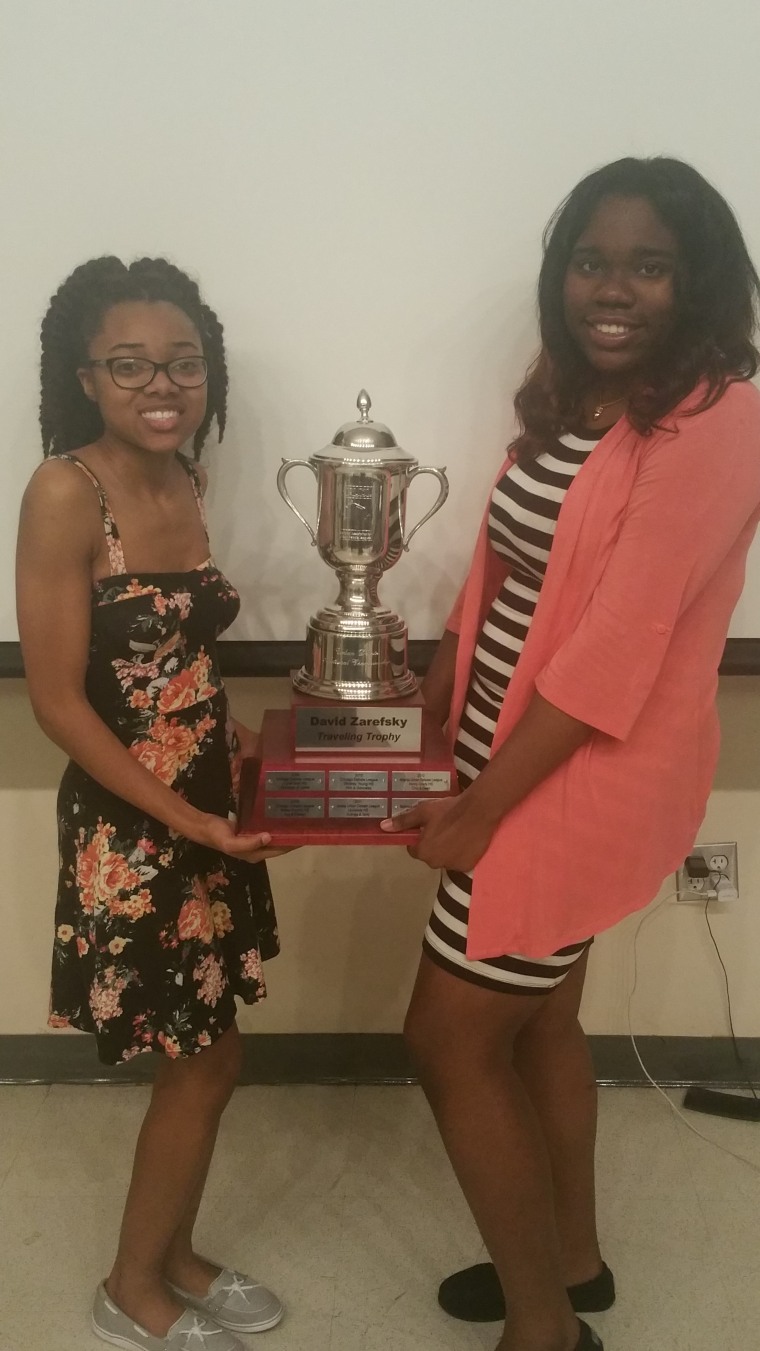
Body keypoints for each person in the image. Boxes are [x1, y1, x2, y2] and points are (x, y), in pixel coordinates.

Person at [383, 157, 760, 1351]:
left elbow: (611, 655)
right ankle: (576, 1265)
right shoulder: (581, 395)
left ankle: (543, 1331)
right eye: (591, 261)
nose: (613, 288)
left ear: (695, 281)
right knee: (540, 1020)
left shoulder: (716, 418)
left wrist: (484, 810)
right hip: (506, 749)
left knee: (447, 1038)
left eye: (648, 265)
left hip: (569, 781)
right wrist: (442, 682)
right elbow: (517, 566)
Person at [16, 257, 290, 1351]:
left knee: (212, 1046)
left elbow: (170, 660)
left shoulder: (190, 478)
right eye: (130, 365)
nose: (161, 384)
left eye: (183, 362)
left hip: (208, 803)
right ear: (85, 377)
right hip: (138, 827)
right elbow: (57, 703)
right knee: (201, 1056)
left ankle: (173, 1251)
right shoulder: (62, 491)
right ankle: (132, 1282)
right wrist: (185, 819)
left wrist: (236, 747)